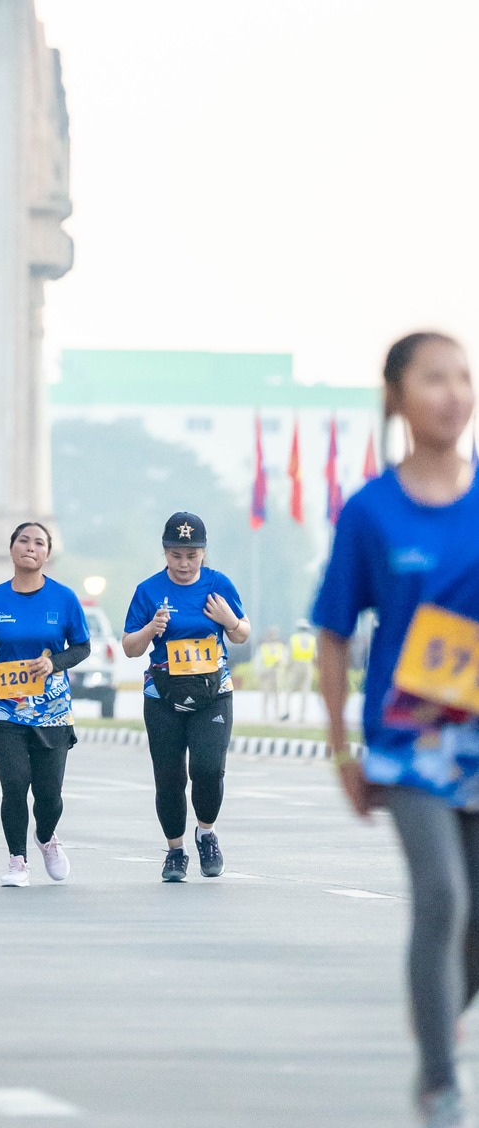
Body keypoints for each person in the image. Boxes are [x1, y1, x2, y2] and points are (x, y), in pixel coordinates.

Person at [314, 332, 479, 1128]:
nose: (452, 394)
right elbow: (334, 631)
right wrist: (342, 747)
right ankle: (439, 1084)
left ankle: (441, 1001)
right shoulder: (371, 512)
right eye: (433, 379)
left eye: (463, 378)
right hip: (409, 740)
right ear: (395, 395)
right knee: (440, 896)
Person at [122, 512, 249, 882]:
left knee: (208, 770)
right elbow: (130, 647)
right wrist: (150, 629)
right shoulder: (148, 591)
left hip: (213, 693)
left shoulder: (218, 585)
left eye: (191, 556)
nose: (183, 563)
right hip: (163, 696)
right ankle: (175, 851)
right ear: (165, 552)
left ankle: (206, 834)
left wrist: (229, 620)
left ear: (203, 553)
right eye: (176, 555)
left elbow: (242, 635)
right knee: (170, 777)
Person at [0, 521, 90, 888]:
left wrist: (54, 663)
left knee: (49, 795)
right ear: (11, 548)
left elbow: (82, 647)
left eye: (39, 543)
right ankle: (17, 860)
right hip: (4, 707)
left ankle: (47, 836)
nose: (30, 547)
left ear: (47, 554)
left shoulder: (63, 599)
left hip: (51, 709)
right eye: (23, 541)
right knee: (15, 785)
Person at [255, 628, 288, 722]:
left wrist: (281, 665)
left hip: (277, 673)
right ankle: (264, 715)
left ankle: (276, 714)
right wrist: (259, 673)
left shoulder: (280, 647)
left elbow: (285, 659)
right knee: (266, 694)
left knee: (277, 694)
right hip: (266, 673)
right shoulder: (263, 647)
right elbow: (258, 661)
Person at [287, 619, 317, 721]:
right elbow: (315, 656)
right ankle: (302, 716)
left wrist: (288, 667)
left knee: (289, 690)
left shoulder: (294, 639)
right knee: (305, 691)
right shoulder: (312, 639)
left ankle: (287, 712)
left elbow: (289, 655)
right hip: (308, 666)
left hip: (296, 665)